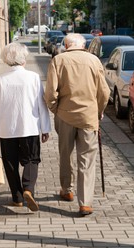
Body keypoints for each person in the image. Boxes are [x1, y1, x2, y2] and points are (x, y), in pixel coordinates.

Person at [44, 33, 110, 216]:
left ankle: (67, 190)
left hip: (65, 115)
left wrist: (55, 109)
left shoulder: (58, 60)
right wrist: (99, 111)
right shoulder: (94, 60)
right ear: (83, 45)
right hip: (88, 117)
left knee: (66, 153)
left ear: (66, 45)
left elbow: (50, 92)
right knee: (87, 159)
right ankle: (85, 203)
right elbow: (104, 91)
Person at [0, 42, 51, 212]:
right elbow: (41, 104)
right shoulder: (34, 77)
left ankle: (17, 198)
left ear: (6, 59)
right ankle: (28, 188)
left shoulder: (0, 79)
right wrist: (45, 128)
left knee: (11, 163)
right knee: (31, 159)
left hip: (7, 129)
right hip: (29, 127)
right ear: (24, 59)